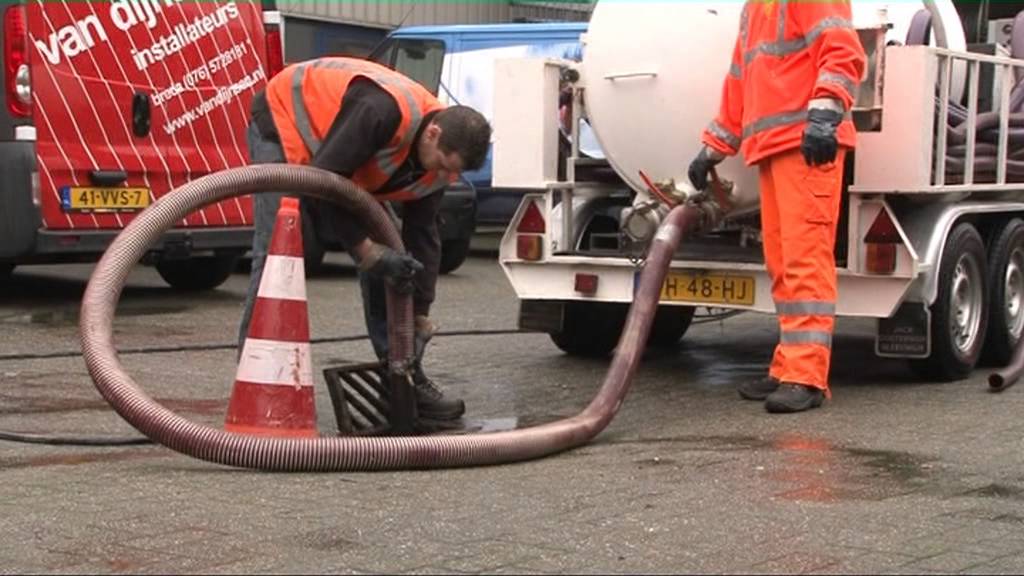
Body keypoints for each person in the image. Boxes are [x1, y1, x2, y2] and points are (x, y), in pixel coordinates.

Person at [239, 56, 491, 422]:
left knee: (390, 260)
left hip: (342, 158)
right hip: (284, 120)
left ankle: (401, 378)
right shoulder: (381, 110)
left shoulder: (440, 159)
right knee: (279, 248)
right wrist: (365, 250)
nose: (444, 175)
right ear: (434, 133)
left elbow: (423, 236)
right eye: (443, 164)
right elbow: (325, 183)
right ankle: (254, 379)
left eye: (452, 172)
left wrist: (418, 314)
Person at [688, 1, 867, 414]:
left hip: (808, 145)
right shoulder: (756, 9)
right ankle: (788, 366)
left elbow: (842, 51)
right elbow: (740, 81)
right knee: (783, 263)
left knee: (805, 260)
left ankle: (806, 376)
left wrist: (825, 113)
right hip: (773, 148)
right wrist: (713, 148)